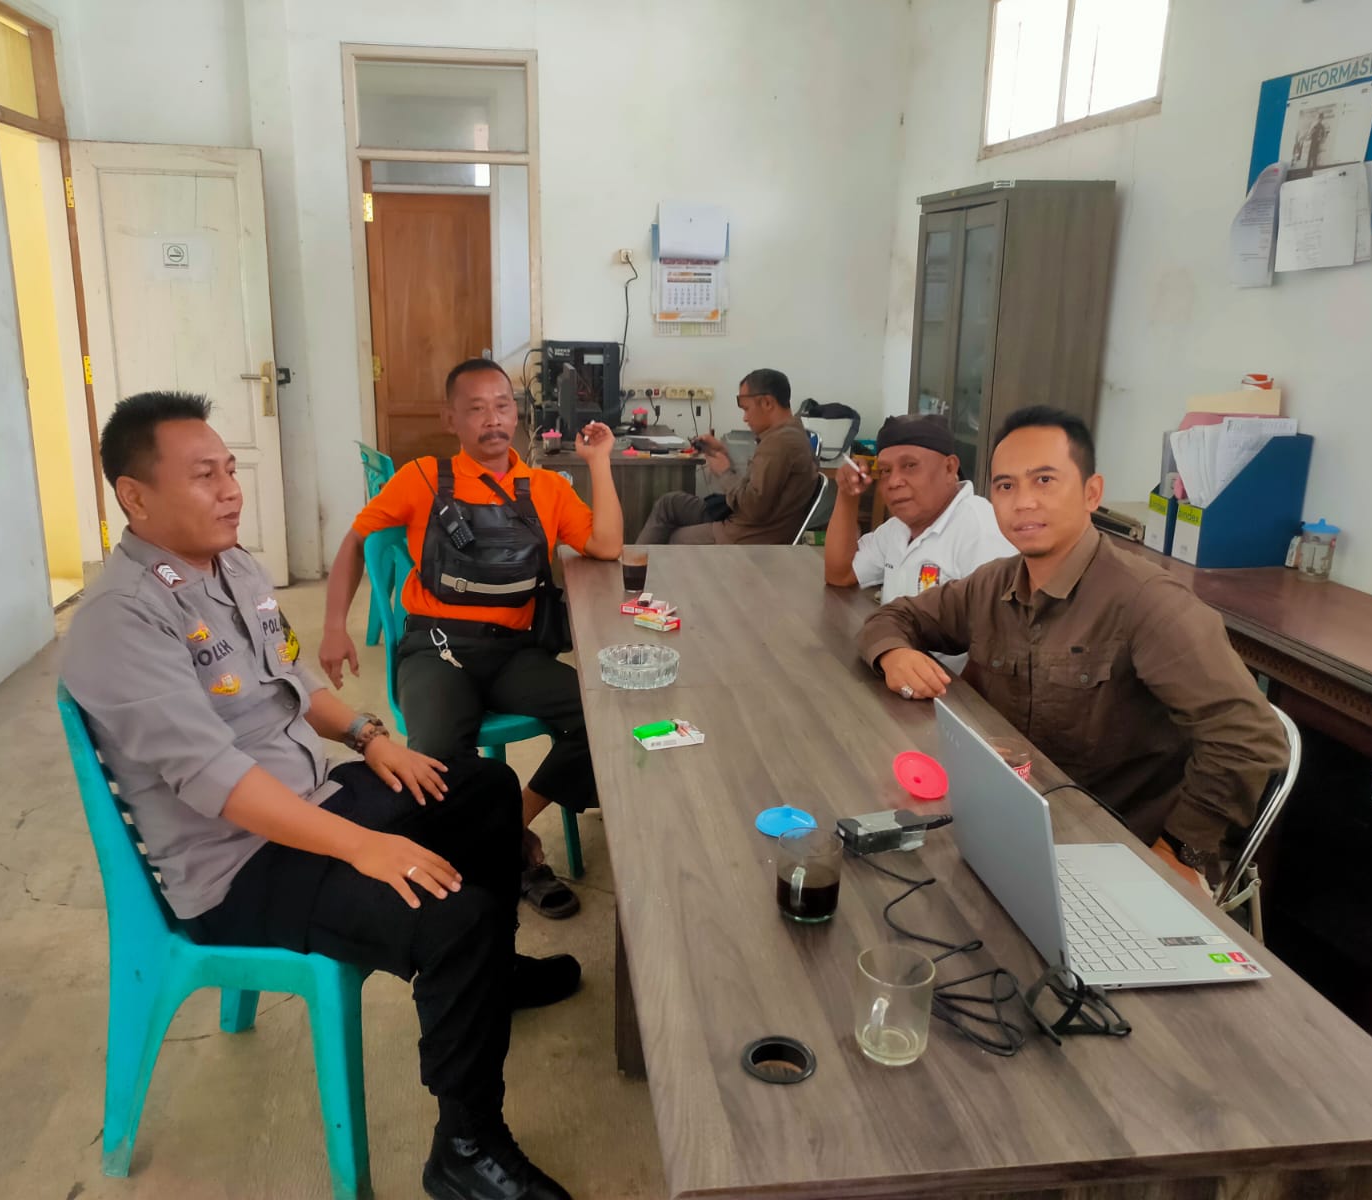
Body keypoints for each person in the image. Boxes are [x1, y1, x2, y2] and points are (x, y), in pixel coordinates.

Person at [63, 391, 576, 1200]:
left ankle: (492, 979)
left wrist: (374, 740)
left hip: (313, 800)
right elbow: (217, 781)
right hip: (239, 867)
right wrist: (364, 846)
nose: (230, 491)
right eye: (204, 476)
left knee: (482, 787)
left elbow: (296, 683)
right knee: (455, 917)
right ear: (136, 497)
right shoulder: (120, 620)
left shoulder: (231, 566)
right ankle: (466, 1146)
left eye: (230, 470)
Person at [856, 406, 1288, 889]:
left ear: (1091, 493)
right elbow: (893, 617)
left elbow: (1251, 739)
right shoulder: (993, 584)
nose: (1023, 502)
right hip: (1009, 817)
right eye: (1005, 486)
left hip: (1111, 845)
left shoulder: (1146, 602)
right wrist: (894, 654)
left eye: (1044, 480)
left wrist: (1179, 850)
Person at [319, 358, 623, 920]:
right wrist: (335, 626)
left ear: (517, 415)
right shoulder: (422, 478)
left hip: (513, 653)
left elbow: (606, 546)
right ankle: (504, 861)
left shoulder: (547, 488)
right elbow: (356, 541)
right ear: (451, 419)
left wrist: (599, 462)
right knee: (433, 762)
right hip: (436, 650)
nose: (493, 420)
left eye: (503, 406)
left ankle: (512, 829)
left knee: (608, 715)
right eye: (476, 409)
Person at [825, 414, 1015, 625]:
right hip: (893, 640)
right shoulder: (898, 528)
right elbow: (840, 574)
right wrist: (848, 494)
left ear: (949, 468)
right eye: (885, 470)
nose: (894, 481)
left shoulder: (981, 532)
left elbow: (997, 633)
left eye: (910, 465)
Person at [635, 368, 817, 545]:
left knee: (677, 538)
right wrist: (724, 454)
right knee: (670, 504)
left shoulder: (779, 444)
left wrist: (724, 473)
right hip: (740, 517)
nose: (745, 418)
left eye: (747, 409)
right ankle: (635, 561)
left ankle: (636, 563)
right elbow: (755, 485)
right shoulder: (788, 433)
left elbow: (753, 508)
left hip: (748, 534)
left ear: (767, 403)